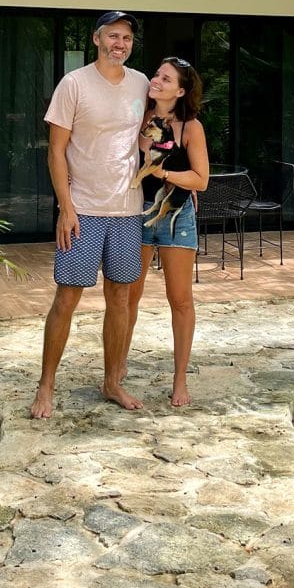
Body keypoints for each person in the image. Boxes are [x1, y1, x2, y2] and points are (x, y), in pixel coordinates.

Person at [30, 11, 149, 419]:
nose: (120, 43)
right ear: (97, 39)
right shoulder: (75, 84)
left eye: (127, 38)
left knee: (121, 297)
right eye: (113, 36)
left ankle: (113, 381)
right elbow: (55, 150)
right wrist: (66, 208)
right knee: (67, 298)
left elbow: (154, 132)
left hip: (128, 210)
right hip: (83, 211)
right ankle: (46, 387)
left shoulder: (142, 84)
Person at [125, 56, 209, 407]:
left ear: (181, 90)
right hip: (134, 213)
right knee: (129, 296)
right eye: (157, 74)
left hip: (176, 218)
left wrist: (164, 175)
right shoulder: (136, 117)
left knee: (180, 300)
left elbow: (201, 180)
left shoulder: (191, 127)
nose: (156, 80)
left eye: (166, 78)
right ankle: (116, 371)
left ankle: (180, 381)